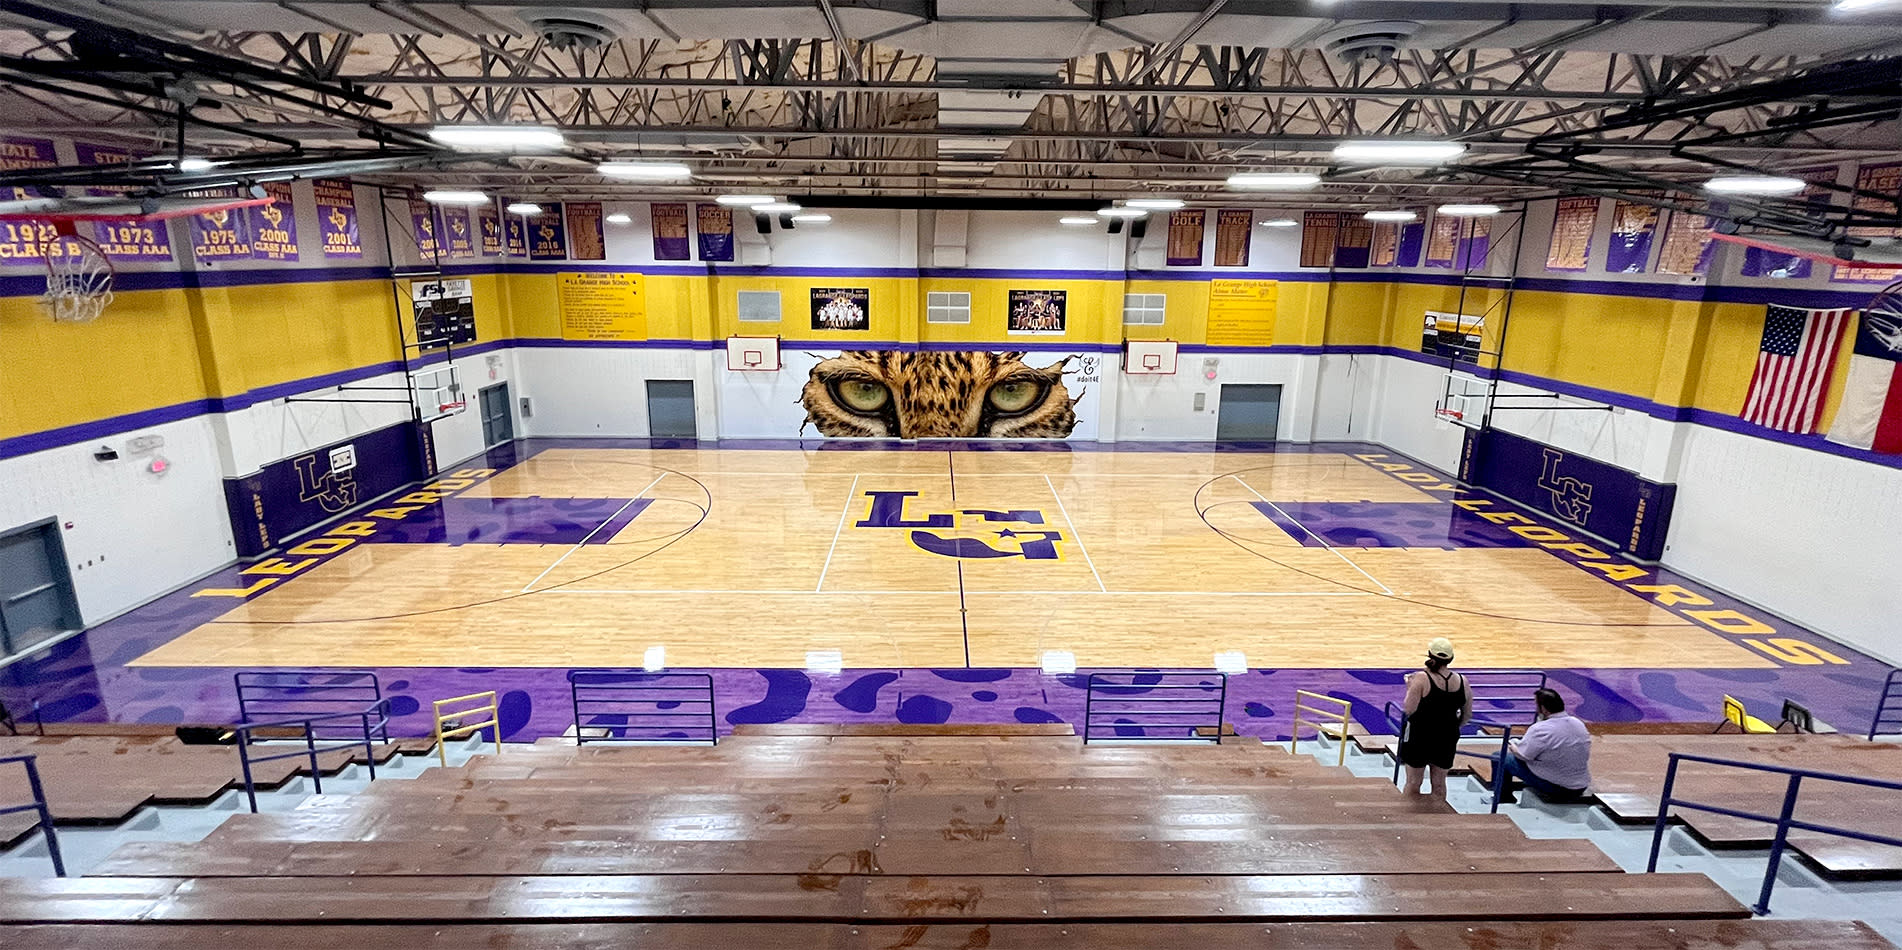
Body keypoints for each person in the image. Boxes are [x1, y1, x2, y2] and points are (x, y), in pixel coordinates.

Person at [1398, 637, 1471, 796]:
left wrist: (1409, 687)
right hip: (1447, 736)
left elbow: (1408, 709)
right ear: (1450, 659)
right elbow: (1467, 714)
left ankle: (1407, 819)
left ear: (1430, 655)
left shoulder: (1421, 678)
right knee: (1439, 784)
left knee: (1413, 782)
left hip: (1420, 735)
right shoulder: (1462, 681)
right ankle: (1438, 819)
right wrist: (1452, 726)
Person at [1498, 688, 1593, 803]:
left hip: (1557, 787)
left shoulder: (1540, 729)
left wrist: (1513, 746)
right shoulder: (1578, 723)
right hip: (1581, 786)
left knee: (1500, 758)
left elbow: (1524, 756)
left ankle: (1502, 798)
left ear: (1543, 708)